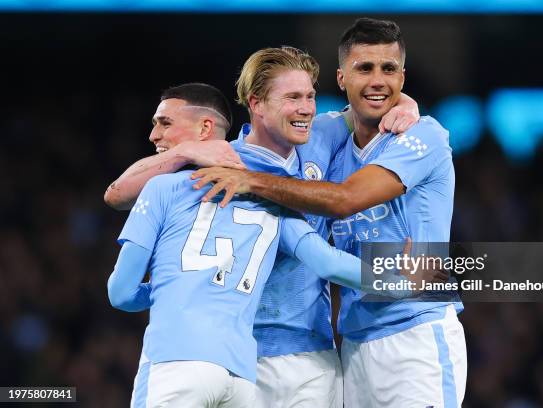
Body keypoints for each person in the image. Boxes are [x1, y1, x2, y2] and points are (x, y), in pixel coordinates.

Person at [104, 48, 421, 406]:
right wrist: (401, 280)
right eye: (293, 98)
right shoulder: (228, 167)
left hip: (308, 351)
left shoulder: (318, 136)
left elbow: (368, 102)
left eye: (310, 97)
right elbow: (117, 194)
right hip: (247, 357)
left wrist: (405, 103)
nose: (305, 108)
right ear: (256, 104)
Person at [192, 18, 467, 407]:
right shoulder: (328, 143)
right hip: (353, 343)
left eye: (389, 70)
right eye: (364, 68)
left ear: (402, 77)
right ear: (341, 78)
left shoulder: (424, 136)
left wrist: (251, 182)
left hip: (415, 331)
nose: (378, 80)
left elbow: (345, 200)